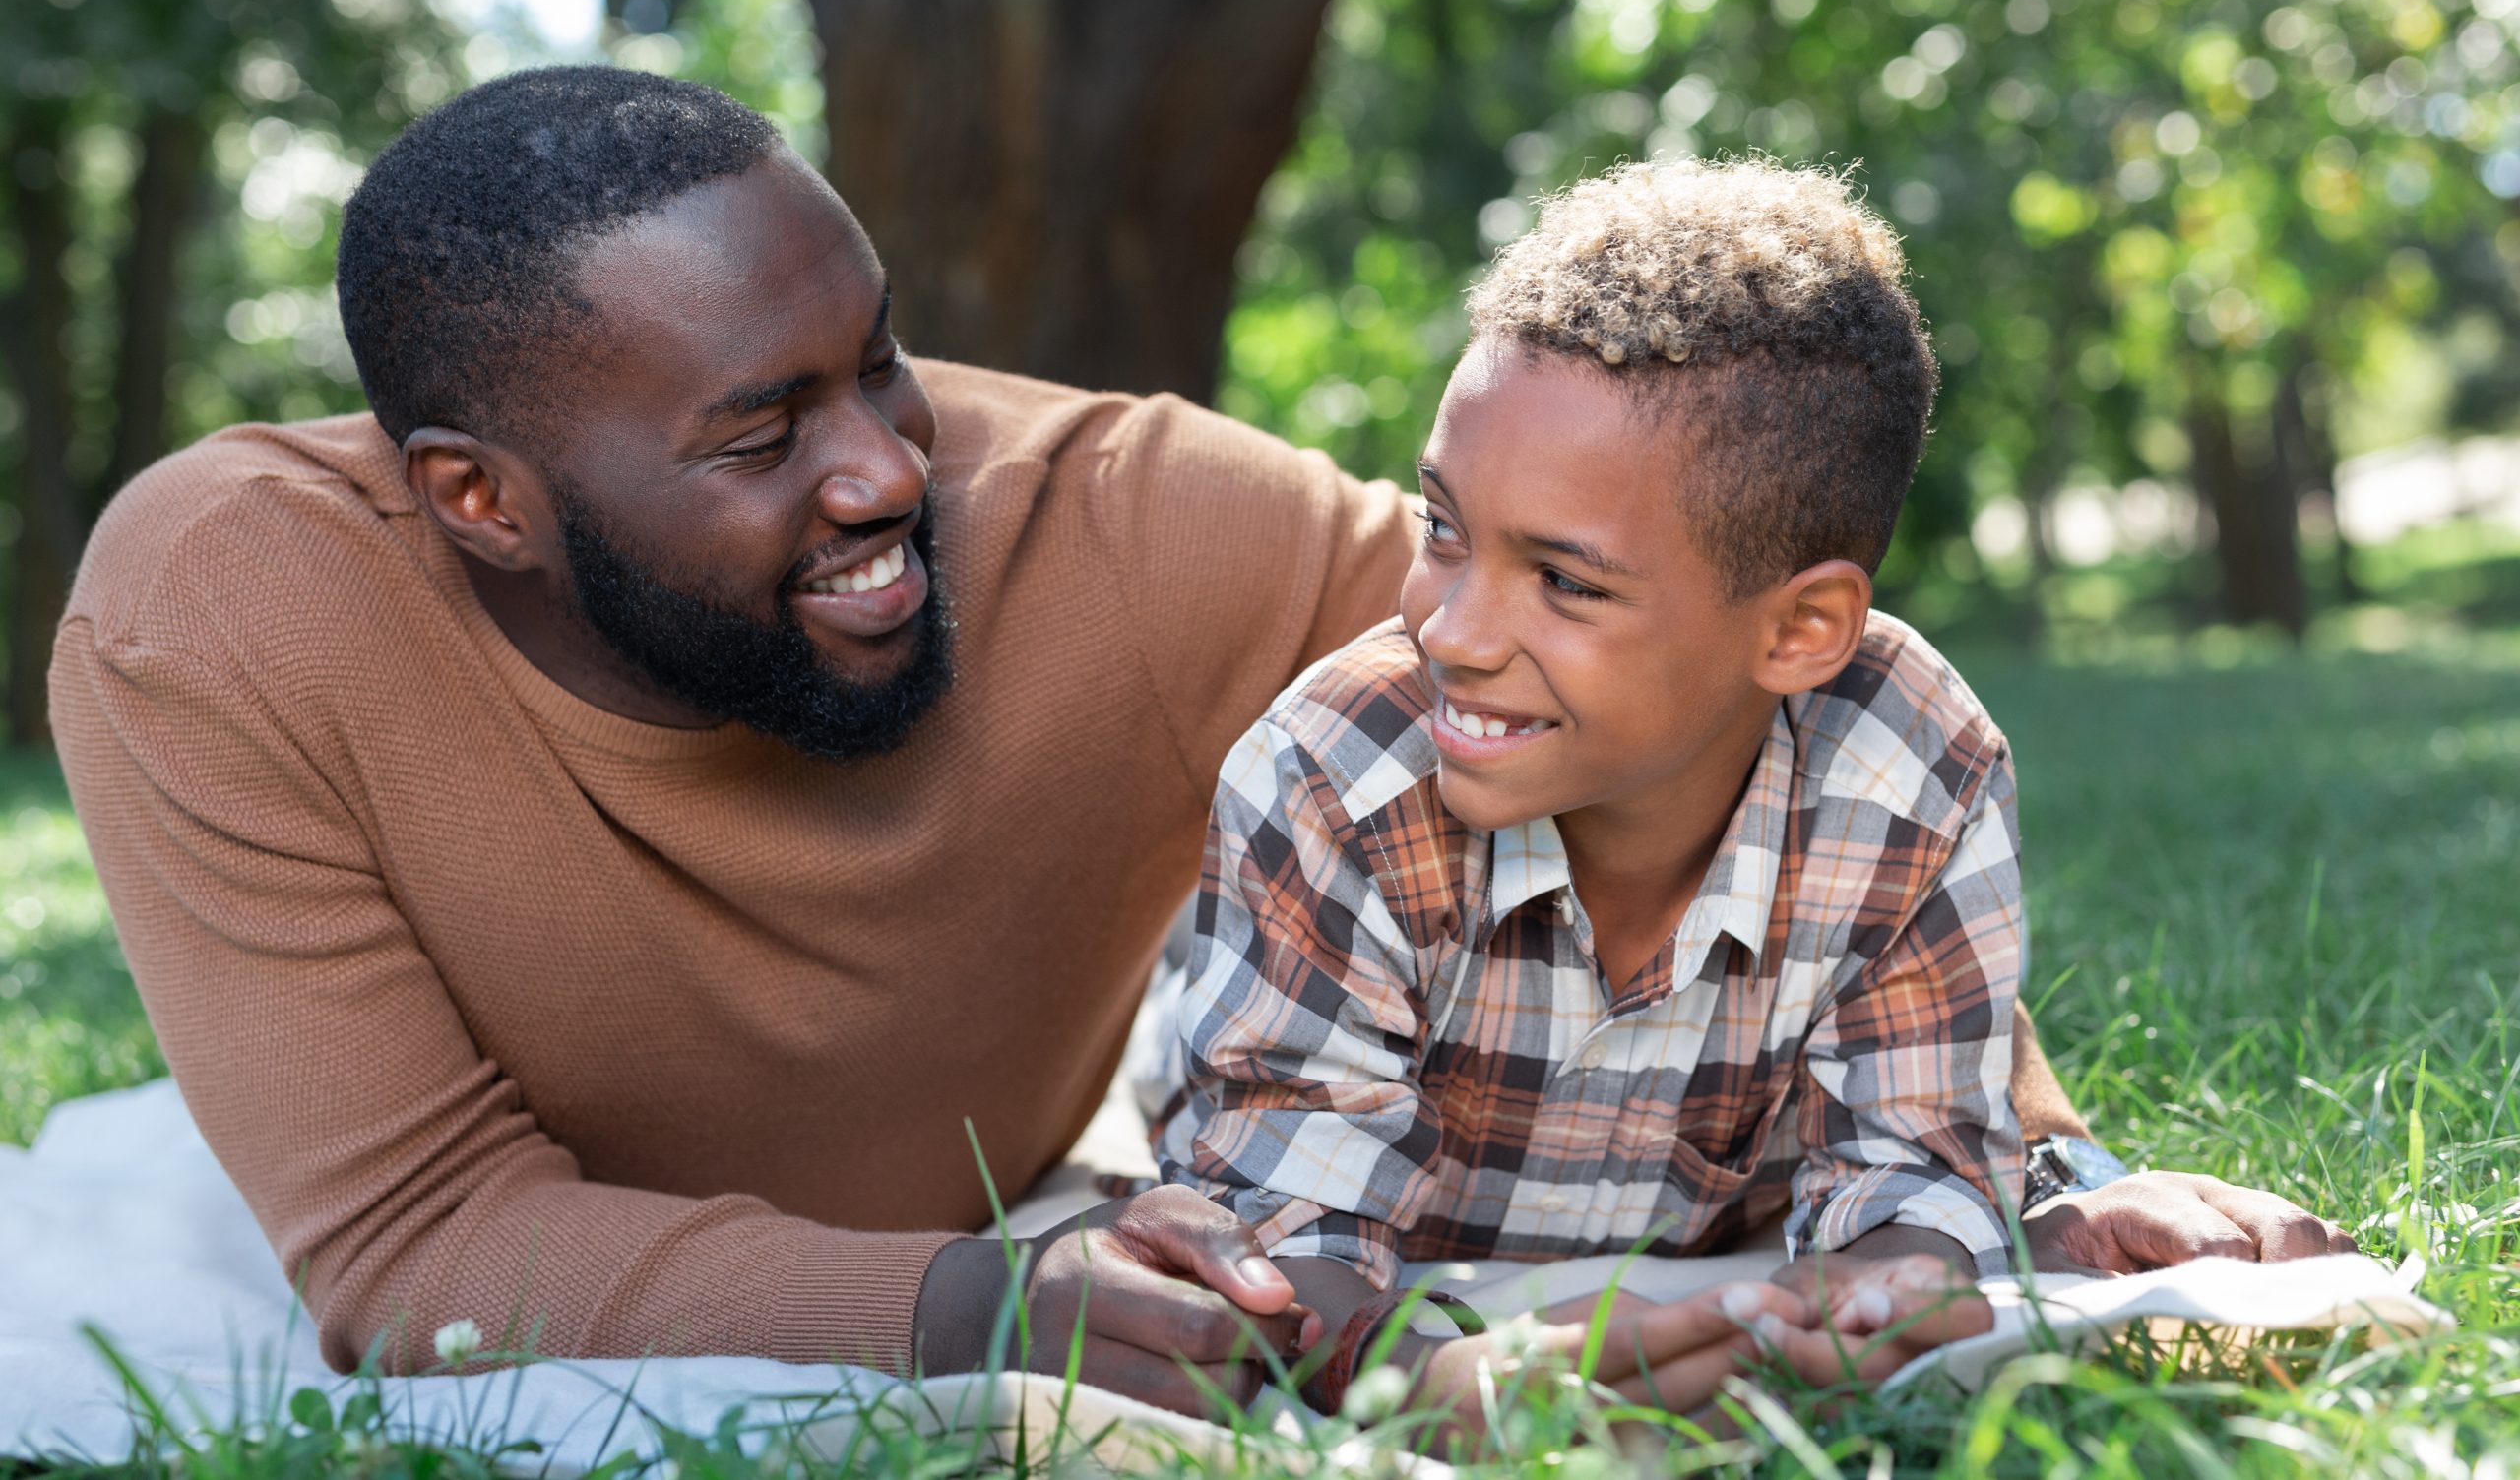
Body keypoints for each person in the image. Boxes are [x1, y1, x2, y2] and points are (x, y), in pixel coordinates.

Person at [49, 69, 2347, 1416]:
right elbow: (415, 1236)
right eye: (761, 427)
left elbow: (1698, 693)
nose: (879, 470)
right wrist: (981, 1299)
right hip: (651, 1201)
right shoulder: (221, 615)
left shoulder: (1116, 515)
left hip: (1058, 1144)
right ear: (478, 496)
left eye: (876, 365)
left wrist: (2036, 1169)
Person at [1154, 157, 2349, 1423]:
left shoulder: (1906, 769)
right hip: (1308, 1151)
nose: (1449, 631)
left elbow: (1915, 1176)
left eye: (1565, 581)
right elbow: (1285, 1266)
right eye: (1443, 527)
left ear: (1799, 630)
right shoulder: (1333, 781)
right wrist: (1435, 1378)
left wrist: (1870, 1308)